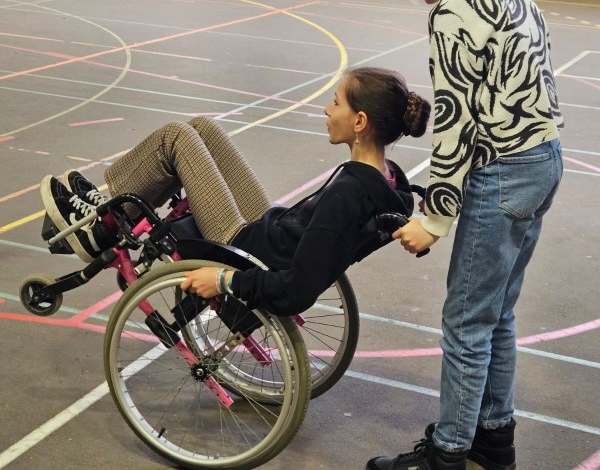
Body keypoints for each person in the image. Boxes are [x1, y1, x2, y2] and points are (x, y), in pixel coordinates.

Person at [365, 0, 563, 470]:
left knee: (464, 321)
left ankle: (447, 458)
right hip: (544, 161)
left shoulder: (451, 12)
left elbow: (458, 128)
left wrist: (434, 218)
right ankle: (493, 436)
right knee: (497, 312)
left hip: (501, 173)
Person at [40, 66, 431, 316]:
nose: (327, 110)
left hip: (245, 245)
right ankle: (109, 207)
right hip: (272, 230)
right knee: (202, 127)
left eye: (335, 102)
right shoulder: (389, 179)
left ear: (360, 121)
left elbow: (296, 290)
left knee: (175, 139)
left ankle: (100, 220)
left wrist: (225, 281)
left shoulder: (349, 194)